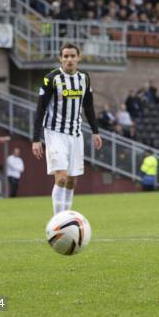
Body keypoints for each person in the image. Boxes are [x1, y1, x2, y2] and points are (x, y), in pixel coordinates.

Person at [32, 43, 103, 215]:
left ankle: (66, 218)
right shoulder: (51, 78)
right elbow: (40, 110)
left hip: (76, 134)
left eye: (72, 56)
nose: (69, 59)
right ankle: (59, 221)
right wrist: (36, 139)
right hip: (55, 133)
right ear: (60, 58)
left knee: (72, 181)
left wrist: (95, 131)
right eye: (66, 56)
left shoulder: (84, 78)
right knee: (62, 178)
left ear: (79, 58)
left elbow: (88, 106)